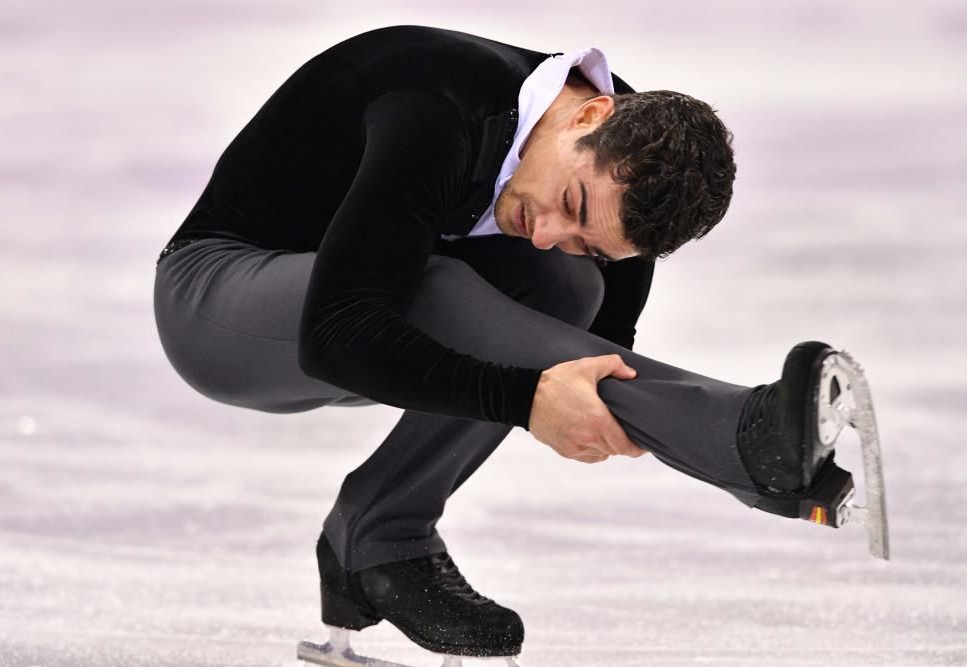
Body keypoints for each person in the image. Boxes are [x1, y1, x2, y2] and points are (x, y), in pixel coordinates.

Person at [153, 25, 881, 663]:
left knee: (567, 289)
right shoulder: (433, 110)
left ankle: (380, 537)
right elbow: (339, 334)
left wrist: (607, 413)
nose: (546, 232)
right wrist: (523, 399)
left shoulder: (628, 164)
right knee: (444, 288)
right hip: (220, 300)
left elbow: (581, 349)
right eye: (571, 204)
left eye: (589, 239)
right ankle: (741, 435)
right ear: (590, 115)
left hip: (373, 304)